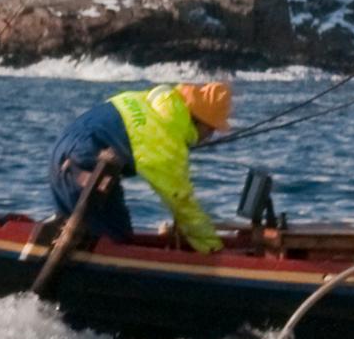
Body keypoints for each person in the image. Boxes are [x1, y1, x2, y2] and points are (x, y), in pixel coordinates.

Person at [46, 79, 233, 255]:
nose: (210, 137)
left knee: (97, 236)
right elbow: (181, 201)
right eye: (211, 130)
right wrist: (212, 248)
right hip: (85, 165)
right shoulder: (167, 138)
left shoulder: (147, 100)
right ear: (199, 121)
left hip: (62, 152)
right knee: (112, 245)